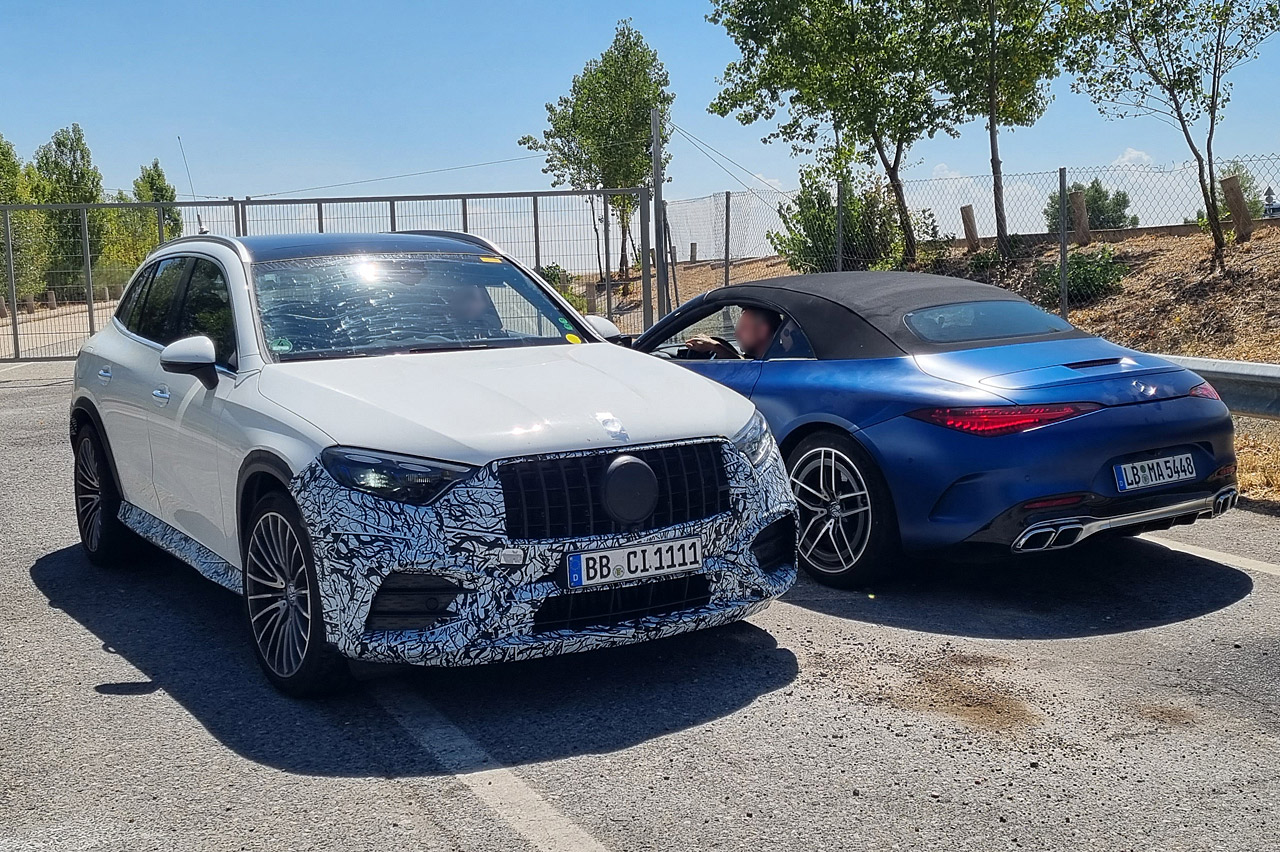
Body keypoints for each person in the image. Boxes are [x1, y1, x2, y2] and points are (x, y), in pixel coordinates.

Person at [686, 307, 781, 360]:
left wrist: (716, 347)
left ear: (762, 331)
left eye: (743, 328)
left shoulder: (775, 363)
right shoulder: (775, 356)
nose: (736, 334)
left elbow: (747, 371)